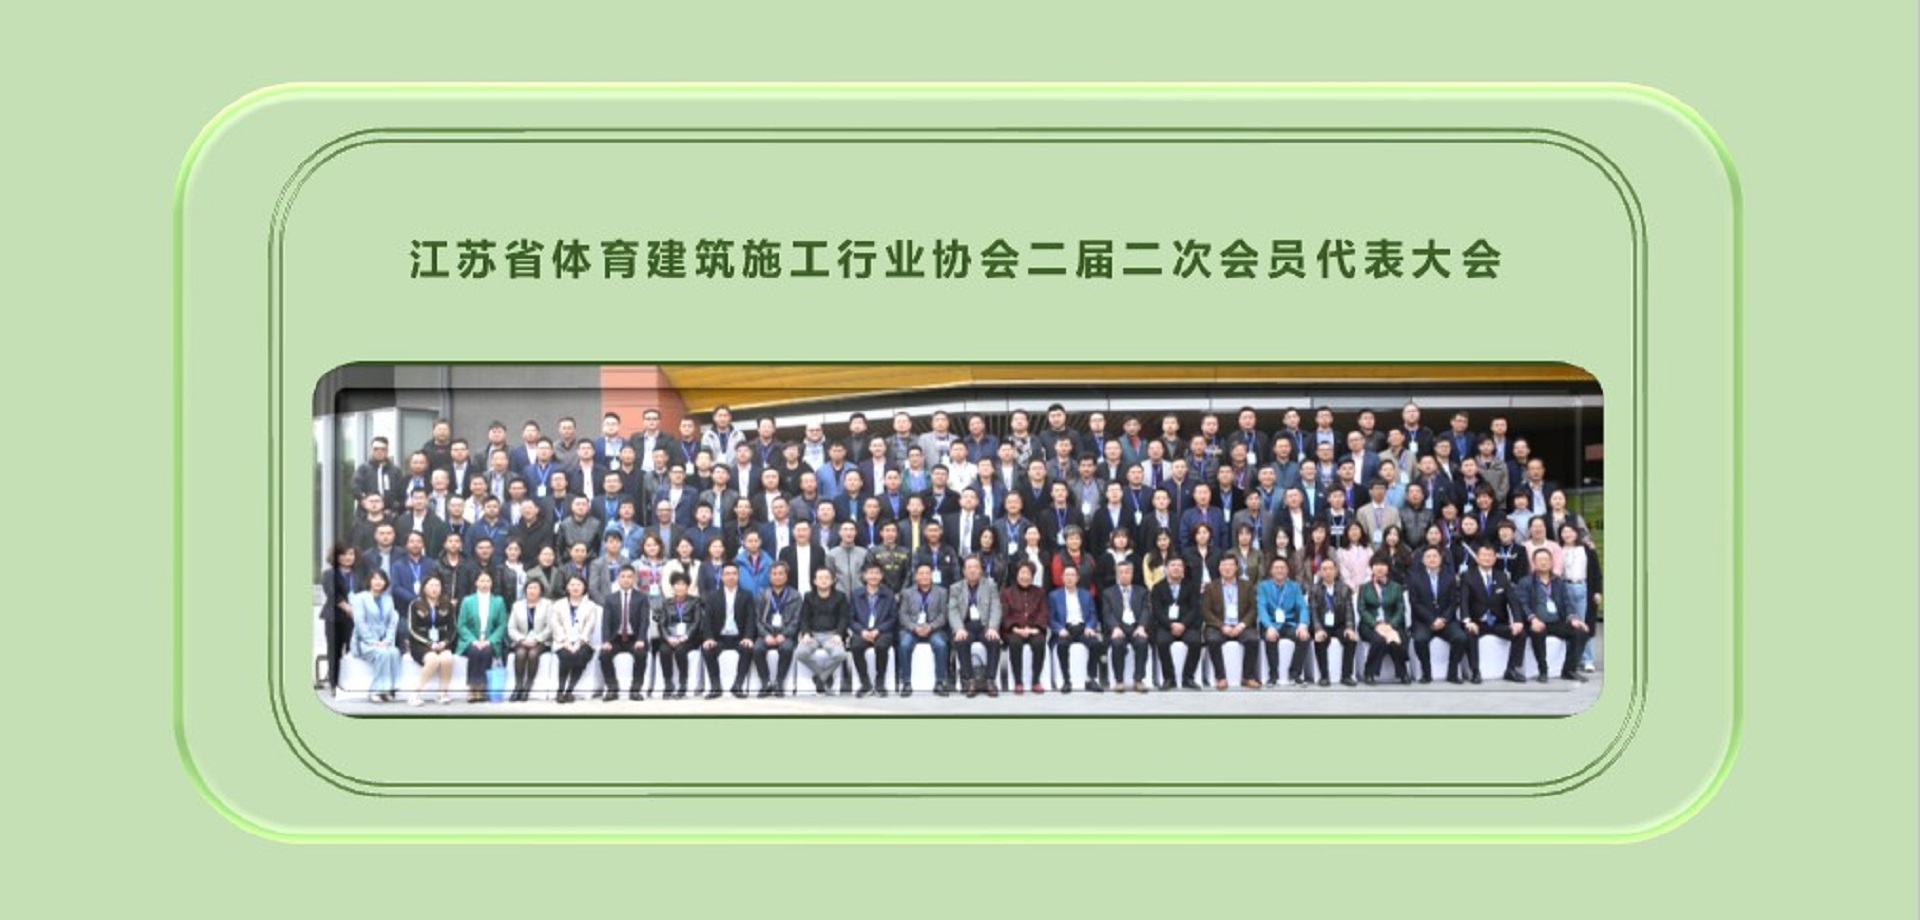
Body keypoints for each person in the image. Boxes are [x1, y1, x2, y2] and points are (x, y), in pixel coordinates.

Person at [1517, 547, 1592, 683]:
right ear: (1534, 563)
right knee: (1538, 632)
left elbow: (1568, 602)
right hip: (1536, 621)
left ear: (1551, 562)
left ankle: (1569, 670)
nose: (1543, 562)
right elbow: (1523, 604)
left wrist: (1573, 618)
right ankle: (1543, 670)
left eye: (1546, 559)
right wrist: (1532, 619)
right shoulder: (1525, 582)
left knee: (1581, 632)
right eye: (1540, 560)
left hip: (1557, 621)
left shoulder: (1559, 582)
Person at [1408, 545, 1471, 684]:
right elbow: (1415, 603)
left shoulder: (1449, 576)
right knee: (1420, 639)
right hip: (1424, 621)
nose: (1432, 559)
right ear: (1423, 560)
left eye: (1435, 556)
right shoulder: (1414, 577)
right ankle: (1426, 673)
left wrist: (1443, 619)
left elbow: (1454, 602)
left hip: (1446, 620)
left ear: (1441, 558)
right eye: (1428, 557)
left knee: (1461, 638)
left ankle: (1452, 673)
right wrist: (1432, 620)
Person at [698, 562, 759, 699]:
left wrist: (748, 637)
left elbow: (750, 618)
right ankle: (715, 686)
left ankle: (738, 685)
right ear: (722, 576)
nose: (731, 577)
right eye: (727, 574)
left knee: (748, 649)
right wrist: (709, 638)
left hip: (739, 637)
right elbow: (707, 620)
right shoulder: (713, 596)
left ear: (738, 576)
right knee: (707, 649)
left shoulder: (746, 595)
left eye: (734, 574)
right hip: (720, 637)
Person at [946, 555, 1004, 698]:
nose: (972, 570)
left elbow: (996, 608)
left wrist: (993, 627)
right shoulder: (956, 588)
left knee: (994, 641)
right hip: (966, 626)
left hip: (985, 626)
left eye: (976, 567)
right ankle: (969, 680)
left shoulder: (990, 585)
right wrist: (959, 629)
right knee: (961, 641)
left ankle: (990, 680)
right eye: (969, 567)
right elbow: (952, 610)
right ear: (964, 571)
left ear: (981, 570)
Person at [1201, 553, 1260, 690]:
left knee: (1252, 639)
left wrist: (1242, 625)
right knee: (1213, 640)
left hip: (1241, 625)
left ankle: (1248, 677)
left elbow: (1253, 609)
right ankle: (1220, 677)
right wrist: (1222, 626)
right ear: (1219, 568)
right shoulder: (1211, 587)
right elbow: (1206, 611)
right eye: (1224, 565)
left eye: (1230, 565)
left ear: (1236, 568)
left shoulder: (1246, 585)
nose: (1227, 568)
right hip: (1219, 626)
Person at [894, 561, 950, 697]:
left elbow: (943, 615)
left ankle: (940, 682)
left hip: (934, 629)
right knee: (904, 645)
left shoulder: (942, 592)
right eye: (921, 573)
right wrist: (914, 628)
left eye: (927, 573)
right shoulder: (907, 593)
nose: (924, 576)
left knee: (941, 645)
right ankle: (906, 682)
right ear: (916, 576)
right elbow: (903, 615)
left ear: (932, 575)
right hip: (912, 629)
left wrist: (930, 627)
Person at [597, 565, 651, 701]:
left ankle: (635, 690)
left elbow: (644, 621)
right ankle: (612, 689)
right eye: (623, 576)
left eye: (629, 577)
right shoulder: (610, 598)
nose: (626, 580)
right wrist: (606, 641)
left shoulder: (642, 597)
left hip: (634, 638)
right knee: (604, 655)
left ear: (634, 579)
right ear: (618, 578)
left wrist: (641, 639)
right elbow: (606, 622)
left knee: (641, 654)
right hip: (616, 638)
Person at [1048, 563, 1105, 693]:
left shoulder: (1086, 594)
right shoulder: (1054, 595)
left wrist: (1090, 627)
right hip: (1065, 628)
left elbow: (1093, 615)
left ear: (1078, 578)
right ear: (1062, 577)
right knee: (1062, 646)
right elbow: (1051, 618)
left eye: (1072, 575)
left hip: (1082, 628)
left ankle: (1091, 679)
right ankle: (1066, 680)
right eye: (1067, 575)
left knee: (1095, 644)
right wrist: (1059, 629)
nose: (1069, 578)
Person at [795, 567, 852, 696]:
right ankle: (824, 675)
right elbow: (804, 618)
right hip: (813, 635)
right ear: (815, 581)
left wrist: (839, 634)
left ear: (832, 580)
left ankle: (820, 678)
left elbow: (844, 618)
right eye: (820, 578)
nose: (823, 581)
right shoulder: (808, 596)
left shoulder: (840, 597)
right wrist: (806, 633)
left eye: (827, 578)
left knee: (840, 655)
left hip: (832, 635)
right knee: (800, 653)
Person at [454, 570, 508, 702]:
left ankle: (482, 688)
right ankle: (473, 688)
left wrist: (490, 640)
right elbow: (461, 625)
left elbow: (502, 625)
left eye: (488, 581)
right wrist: (473, 640)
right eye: (482, 581)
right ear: (476, 583)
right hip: (470, 640)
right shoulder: (467, 601)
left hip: (490, 640)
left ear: (492, 583)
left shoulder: (498, 601)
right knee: (475, 651)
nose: (485, 584)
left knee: (486, 651)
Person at [846, 563, 899, 697]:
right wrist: (862, 631)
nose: (873, 576)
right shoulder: (856, 594)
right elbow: (851, 618)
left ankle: (880, 682)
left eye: (876, 573)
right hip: (862, 631)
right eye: (870, 573)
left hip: (882, 631)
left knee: (882, 646)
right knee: (855, 645)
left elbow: (893, 617)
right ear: (864, 576)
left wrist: (878, 630)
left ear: (881, 576)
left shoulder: (888, 594)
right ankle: (865, 683)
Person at [1100, 558, 1153, 693]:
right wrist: (1115, 627)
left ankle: (1138, 680)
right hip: (1118, 628)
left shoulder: (1142, 591)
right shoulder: (1108, 593)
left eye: (1127, 572)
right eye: (1121, 572)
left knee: (1142, 642)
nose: (1124, 575)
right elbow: (1107, 613)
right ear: (1117, 574)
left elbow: (1146, 610)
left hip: (1136, 628)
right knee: (1117, 643)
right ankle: (1119, 681)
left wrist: (1141, 626)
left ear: (1132, 574)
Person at [1257, 557, 1312, 687]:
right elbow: (1261, 608)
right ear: (1271, 571)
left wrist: (1303, 625)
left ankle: (1295, 673)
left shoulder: (1295, 586)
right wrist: (1269, 626)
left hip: (1289, 624)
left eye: (1282, 568)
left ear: (1287, 570)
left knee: (1304, 637)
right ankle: (1273, 675)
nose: (1279, 570)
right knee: (1271, 637)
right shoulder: (1263, 586)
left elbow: (1302, 607)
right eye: (1276, 568)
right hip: (1270, 623)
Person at [1357, 555, 1411, 685]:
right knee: (1379, 640)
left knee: (1395, 640)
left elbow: (1400, 609)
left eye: (1383, 565)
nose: (1379, 568)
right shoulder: (1364, 587)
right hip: (1369, 626)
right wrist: (1375, 625)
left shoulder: (1396, 587)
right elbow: (1362, 609)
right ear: (1372, 568)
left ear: (1388, 568)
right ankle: (1369, 673)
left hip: (1391, 624)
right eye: (1376, 565)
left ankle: (1402, 673)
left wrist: (1390, 625)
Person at [1151, 556, 1203, 690]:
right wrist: (1170, 625)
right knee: (1162, 642)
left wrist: (1183, 624)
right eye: (1173, 565)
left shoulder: (1191, 586)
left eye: (1179, 565)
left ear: (1183, 569)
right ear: (1166, 568)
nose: (1176, 568)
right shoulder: (1158, 587)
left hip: (1186, 625)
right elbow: (1157, 610)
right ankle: (1169, 678)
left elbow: (1195, 609)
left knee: (1195, 642)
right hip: (1166, 625)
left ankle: (1188, 677)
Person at [350, 570, 402, 702]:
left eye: (381, 579)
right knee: (383, 653)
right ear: (369, 581)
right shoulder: (360, 598)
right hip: (364, 642)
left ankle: (388, 689)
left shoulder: (388, 599)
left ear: (385, 582)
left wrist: (387, 640)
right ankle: (376, 690)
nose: (378, 582)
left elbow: (392, 623)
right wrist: (372, 641)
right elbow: (360, 623)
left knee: (394, 652)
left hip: (383, 641)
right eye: (375, 579)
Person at [1558, 521, 1603, 672]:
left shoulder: (1587, 549)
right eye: (1564, 532)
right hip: (1564, 587)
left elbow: (1596, 572)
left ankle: (1587, 659)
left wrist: (1597, 591)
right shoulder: (1558, 550)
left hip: (1582, 587)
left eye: (1570, 531)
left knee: (1583, 623)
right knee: (1568, 623)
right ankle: (1573, 659)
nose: (1567, 534)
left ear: (1576, 533)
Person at [546, 574, 599, 703]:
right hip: (562, 641)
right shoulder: (558, 604)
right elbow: (555, 624)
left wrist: (579, 643)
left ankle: (569, 691)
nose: (575, 588)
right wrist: (565, 641)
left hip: (583, 642)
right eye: (572, 585)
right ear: (567, 587)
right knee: (566, 656)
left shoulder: (591, 605)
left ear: (584, 587)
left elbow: (589, 626)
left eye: (579, 585)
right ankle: (560, 691)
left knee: (580, 656)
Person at [1306, 558, 1358, 686]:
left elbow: (1349, 610)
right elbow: (1313, 611)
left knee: (1350, 639)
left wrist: (1349, 628)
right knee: (1320, 640)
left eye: (1330, 569)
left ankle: (1346, 676)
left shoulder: (1345, 588)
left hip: (1339, 624)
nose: (1328, 572)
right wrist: (1318, 629)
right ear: (1319, 572)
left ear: (1336, 571)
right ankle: (1324, 676)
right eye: (1324, 569)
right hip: (1322, 624)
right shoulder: (1314, 589)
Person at [406, 574, 457, 705]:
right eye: (431, 585)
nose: (435, 589)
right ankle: (414, 694)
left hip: (441, 642)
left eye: (437, 585)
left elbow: (452, 628)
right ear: (424, 588)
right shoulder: (415, 605)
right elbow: (412, 629)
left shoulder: (447, 605)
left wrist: (445, 642)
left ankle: (442, 694)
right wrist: (429, 643)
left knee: (447, 658)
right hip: (421, 643)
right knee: (433, 659)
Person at [753, 562, 803, 696]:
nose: (777, 577)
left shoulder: (795, 596)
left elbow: (796, 620)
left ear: (786, 576)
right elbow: (757, 619)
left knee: (786, 648)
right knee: (757, 649)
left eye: (781, 573)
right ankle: (765, 682)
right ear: (769, 576)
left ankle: (779, 682)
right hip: (766, 633)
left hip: (785, 634)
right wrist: (765, 635)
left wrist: (784, 634)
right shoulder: (762, 594)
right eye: (774, 574)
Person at [1001, 559, 1049, 694]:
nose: (1025, 576)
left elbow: (1043, 612)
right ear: (1017, 574)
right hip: (1014, 630)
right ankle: (1018, 681)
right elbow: (1005, 615)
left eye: (1028, 573)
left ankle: (1036, 681)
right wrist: (1016, 628)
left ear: (1032, 576)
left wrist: (1035, 628)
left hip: (1034, 629)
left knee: (1039, 642)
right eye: (1022, 573)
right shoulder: (1007, 593)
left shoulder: (1040, 592)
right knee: (1015, 643)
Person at [652, 572, 702, 699]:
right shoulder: (666, 603)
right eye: (677, 584)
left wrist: (685, 636)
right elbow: (662, 624)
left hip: (689, 638)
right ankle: (668, 684)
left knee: (680, 651)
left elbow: (696, 622)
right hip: (670, 637)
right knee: (664, 650)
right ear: (672, 586)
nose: (680, 587)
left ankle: (682, 684)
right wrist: (668, 638)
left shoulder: (695, 601)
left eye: (683, 584)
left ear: (688, 586)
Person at [321, 542, 358, 698]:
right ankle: (334, 684)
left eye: (351, 554)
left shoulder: (358, 574)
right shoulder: (329, 574)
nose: (348, 557)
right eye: (343, 554)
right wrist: (348, 608)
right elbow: (333, 594)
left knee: (353, 649)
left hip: (355, 618)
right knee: (334, 651)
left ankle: (350, 682)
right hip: (335, 617)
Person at [506, 579, 551, 702]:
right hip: (522, 640)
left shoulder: (547, 604)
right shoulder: (517, 605)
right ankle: (518, 686)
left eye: (535, 588)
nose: (532, 591)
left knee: (533, 654)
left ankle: (528, 686)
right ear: (525, 590)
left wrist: (537, 639)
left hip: (541, 641)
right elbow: (511, 628)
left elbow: (550, 627)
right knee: (520, 653)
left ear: (540, 591)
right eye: (530, 588)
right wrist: (522, 639)